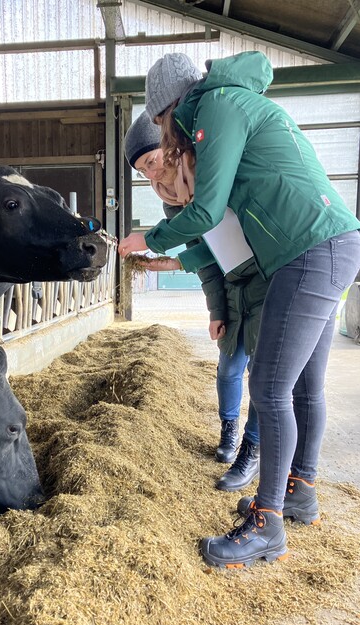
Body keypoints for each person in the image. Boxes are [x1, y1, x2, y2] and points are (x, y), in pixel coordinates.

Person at [118, 51, 360, 569]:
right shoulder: (230, 102)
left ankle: (267, 525)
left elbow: (206, 209)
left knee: (269, 389)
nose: (166, 137)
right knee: (302, 388)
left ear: (170, 106)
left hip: (308, 249)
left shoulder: (218, 107)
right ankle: (300, 492)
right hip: (327, 243)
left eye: (162, 123)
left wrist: (147, 238)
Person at [124, 109, 268, 492]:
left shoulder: (208, 176)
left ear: (170, 150)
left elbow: (232, 238)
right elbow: (211, 258)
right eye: (143, 172)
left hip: (264, 279)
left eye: (152, 162)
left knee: (265, 375)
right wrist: (217, 311)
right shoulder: (174, 203)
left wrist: (161, 251)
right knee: (228, 367)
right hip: (232, 286)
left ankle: (251, 450)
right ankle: (229, 433)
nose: (152, 176)